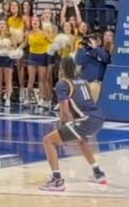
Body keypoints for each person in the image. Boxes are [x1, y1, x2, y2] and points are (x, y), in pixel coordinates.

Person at [40, 57, 106, 191]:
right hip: (98, 117)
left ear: (61, 69)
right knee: (81, 141)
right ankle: (98, 173)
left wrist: (63, 128)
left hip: (85, 120)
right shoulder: (83, 81)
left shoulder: (62, 84)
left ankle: (57, 180)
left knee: (48, 141)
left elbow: (65, 112)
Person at [74, 33, 111, 102]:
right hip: (83, 82)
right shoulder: (84, 51)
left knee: (93, 87)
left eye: (95, 39)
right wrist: (80, 50)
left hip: (95, 83)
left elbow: (106, 59)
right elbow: (78, 64)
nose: (92, 41)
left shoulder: (104, 51)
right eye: (91, 40)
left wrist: (95, 47)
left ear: (100, 41)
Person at [27, 16, 52, 110]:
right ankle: (28, 99)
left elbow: (52, 42)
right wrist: (16, 49)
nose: (35, 22)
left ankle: (42, 99)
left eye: (37, 20)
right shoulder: (29, 33)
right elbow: (25, 43)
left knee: (42, 79)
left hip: (42, 56)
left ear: (39, 23)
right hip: (32, 56)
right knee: (31, 79)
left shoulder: (44, 33)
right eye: (33, 20)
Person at [0, 19, 14, 107]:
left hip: (8, 58)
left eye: (4, 24)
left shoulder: (10, 36)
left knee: (8, 80)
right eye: (0, 24)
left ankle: (8, 98)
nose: (2, 25)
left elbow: (14, 47)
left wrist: (8, 48)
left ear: (6, 26)